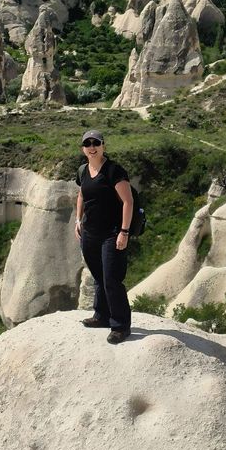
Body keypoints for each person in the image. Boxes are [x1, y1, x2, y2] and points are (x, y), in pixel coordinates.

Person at [75, 129, 133, 344]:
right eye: (87, 143)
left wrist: (124, 232)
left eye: (96, 143)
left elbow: (128, 202)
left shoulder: (114, 171)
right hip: (89, 233)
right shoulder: (83, 170)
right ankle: (101, 316)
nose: (92, 147)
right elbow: (81, 194)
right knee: (98, 277)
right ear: (83, 148)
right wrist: (78, 220)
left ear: (103, 146)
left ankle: (120, 325)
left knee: (112, 280)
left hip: (112, 233)